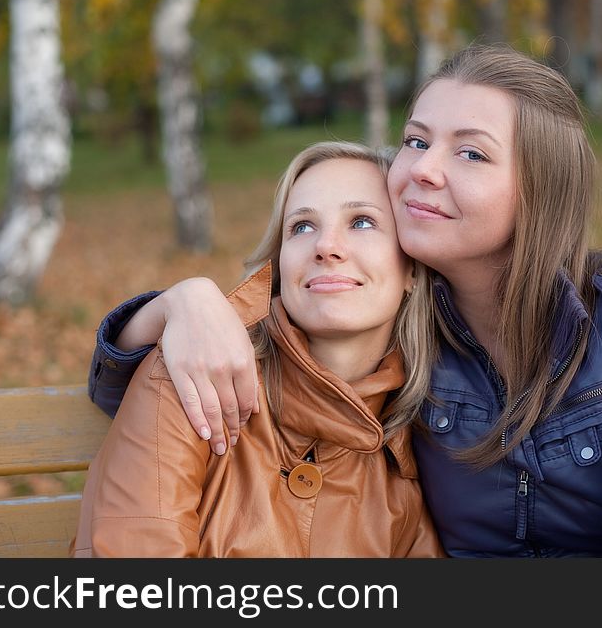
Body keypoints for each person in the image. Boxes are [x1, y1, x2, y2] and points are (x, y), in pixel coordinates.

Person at [88, 44, 602, 557]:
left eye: (472, 153)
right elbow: (188, 394)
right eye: (418, 140)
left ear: (540, 192)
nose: (424, 167)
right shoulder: (406, 346)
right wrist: (186, 303)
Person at [72, 141, 445, 557]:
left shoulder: (420, 439)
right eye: (302, 226)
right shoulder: (193, 371)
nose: (326, 246)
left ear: (410, 267)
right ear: (281, 263)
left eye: (361, 222)